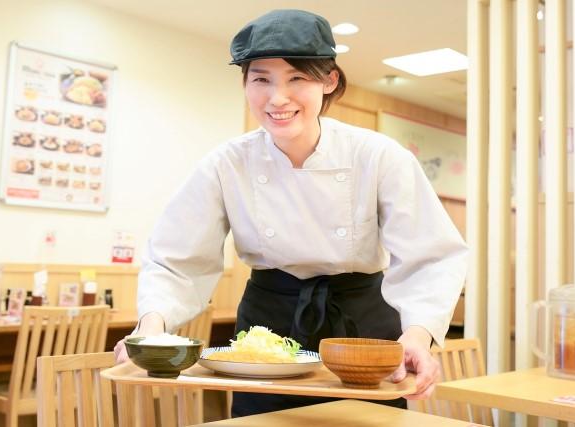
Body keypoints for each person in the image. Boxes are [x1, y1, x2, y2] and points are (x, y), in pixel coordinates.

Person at [114, 9, 468, 417]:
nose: (277, 98)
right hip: (264, 331)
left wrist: (418, 337)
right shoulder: (227, 163)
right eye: (261, 79)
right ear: (245, 83)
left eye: (297, 78)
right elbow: (177, 257)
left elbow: (432, 255)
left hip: (362, 333)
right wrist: (152, 328)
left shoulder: (377, 155)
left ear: (329, 80)